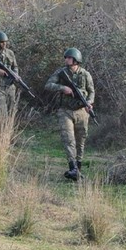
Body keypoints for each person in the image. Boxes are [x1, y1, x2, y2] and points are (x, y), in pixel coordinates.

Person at [44, 48, 94, 181]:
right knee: (69, 139)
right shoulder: (61, 73)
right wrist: (62, 88)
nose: (66, 60)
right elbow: (48, 85)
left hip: (82, 111)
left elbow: (91, 92)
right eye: (65, 58)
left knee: (80, 141)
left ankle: (78, 169)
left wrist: (89, 102)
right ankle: (72, 168)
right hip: (65, 111)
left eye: (68, 58)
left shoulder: (85, 74)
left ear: (76, 59)